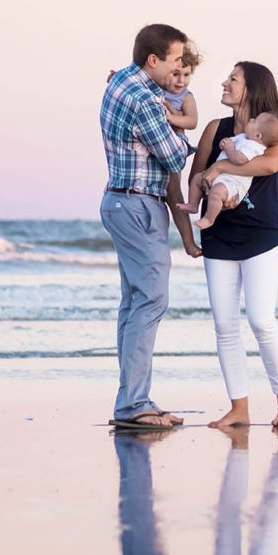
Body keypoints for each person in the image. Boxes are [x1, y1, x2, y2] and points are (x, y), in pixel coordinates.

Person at [99, 23, 199, 430]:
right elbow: (176, 158)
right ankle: (133, 404)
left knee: (134, 303)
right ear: (153, 60)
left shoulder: (122, 81)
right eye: (176, 61)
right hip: (139, 204)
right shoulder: (145, 100)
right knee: (152, 300)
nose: (181, 69)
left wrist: (169, 107)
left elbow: (162, 104)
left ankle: (132, 401)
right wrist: (188, 130)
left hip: (121, 201)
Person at [187, 62, 278, 428]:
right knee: (224, 325)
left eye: (232, 79)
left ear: (251, 88)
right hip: (219, 235)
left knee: (262, 320)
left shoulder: (272, 129)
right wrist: (210, 180)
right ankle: (240, 409)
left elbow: (268, 166)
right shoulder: (215, 129)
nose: (224, 82)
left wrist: (222, 169)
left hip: (261, 235)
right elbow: (197, 175)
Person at [175, 112, 278, 231]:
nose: (251, 119)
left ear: (258, 135)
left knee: (217, 193)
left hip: (233, 184)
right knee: (197, 178)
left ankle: (209, 219)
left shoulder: (254, 147)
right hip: (219, 177)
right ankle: (193, 205)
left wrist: (229, 148)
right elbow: (230, 141)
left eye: (254, 121)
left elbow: (240, 159)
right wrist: (224, 142)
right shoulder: (243, 137)